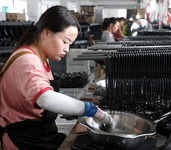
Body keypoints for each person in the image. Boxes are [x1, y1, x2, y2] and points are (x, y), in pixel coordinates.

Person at [0, 6, 115, 150]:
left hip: (39, 134)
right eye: (65, 41)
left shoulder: (41, 58)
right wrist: (91, 110)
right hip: (23, 141)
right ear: (47, 33)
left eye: (70, 44)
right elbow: (45, 98)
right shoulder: (28, 61)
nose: (67, 49)